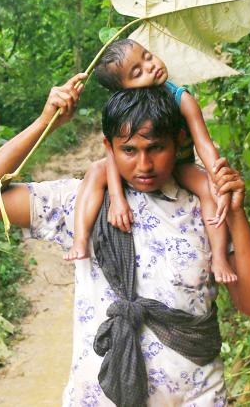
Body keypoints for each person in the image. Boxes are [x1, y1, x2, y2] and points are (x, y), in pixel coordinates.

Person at [0, 73, 250, 406]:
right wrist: (44, 123)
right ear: (108, 148)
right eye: (129, 150)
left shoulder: (206, 206)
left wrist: (237, 213)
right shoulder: (84, 203)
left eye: (156, 148)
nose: (144, 164)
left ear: (179, 140)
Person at [64, 39, 238, 285]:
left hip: (177, 163)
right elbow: (113, 155)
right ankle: (80, 240)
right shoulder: (124, 109)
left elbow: (204, 143)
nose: (151, 66)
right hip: (133, 169)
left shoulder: (180, 97)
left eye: (147, 56)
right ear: (123, 90)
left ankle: (219, 257)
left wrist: (217, 174)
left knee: (208, 188)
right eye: (137, 72)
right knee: (95, 170)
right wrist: (117, 199)